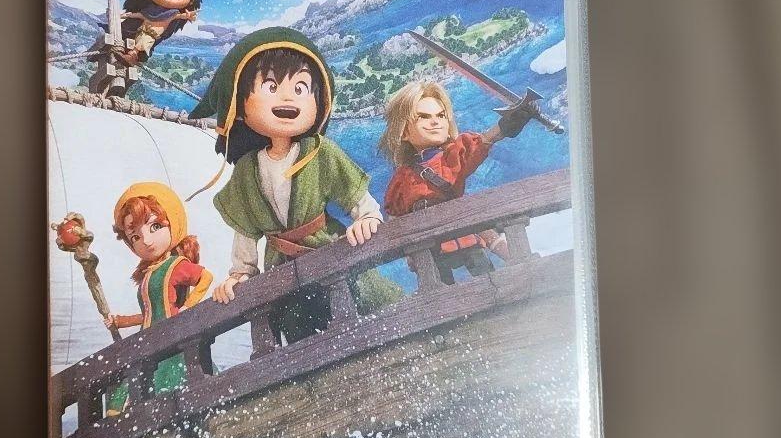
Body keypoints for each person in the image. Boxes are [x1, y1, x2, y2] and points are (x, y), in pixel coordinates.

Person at [188, 27, 400, 342]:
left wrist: (367, 218)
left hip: (329, 252)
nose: (288, 97)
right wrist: (241, 273)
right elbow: (246, 231)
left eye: (301, 87)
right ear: (240, 102)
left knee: (367, 313)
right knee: (300, 334)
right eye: (271, 86)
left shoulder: (320, 152)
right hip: (282, 271)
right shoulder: (247, 171)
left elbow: (356, 196)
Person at [379, 80, 530, 284]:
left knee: (489, 281)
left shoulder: (452, 157)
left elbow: (480, 143)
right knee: (441, 291)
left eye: (440, 115)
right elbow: (394, 216)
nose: (435, 122)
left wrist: (504, 127)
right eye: (423, 117)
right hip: (431, 249)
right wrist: (407, 250)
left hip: (465, 236)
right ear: (404, 131)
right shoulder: (402, 178)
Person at [102, 182, 212, 417]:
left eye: (155, 226)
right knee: (125, 392)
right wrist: (120, 321)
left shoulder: (176, 265)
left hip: (170, 339)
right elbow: (149, 313)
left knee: (165, 385)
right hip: (147, 339)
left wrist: (188, 307)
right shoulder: (148, 274)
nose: (146, 240)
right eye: (135, 236)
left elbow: (205, 277)